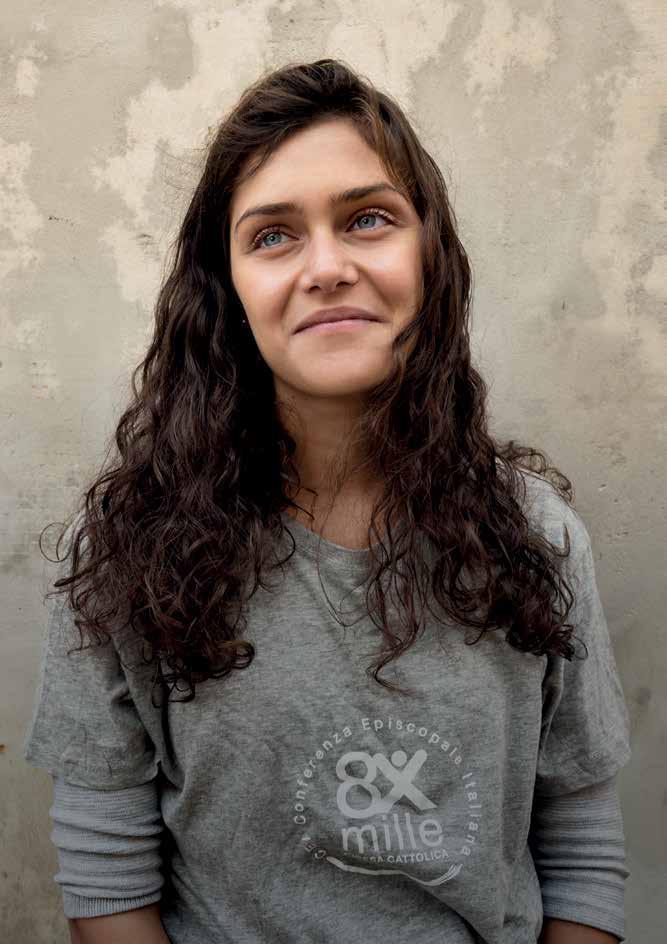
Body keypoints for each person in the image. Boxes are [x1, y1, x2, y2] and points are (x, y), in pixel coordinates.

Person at [23, 59, 631, 944]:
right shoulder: (128, 548)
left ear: (430, 256)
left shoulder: (539, 537)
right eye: (272, 236)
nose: (327, 267)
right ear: (225, 287)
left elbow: (579, 845)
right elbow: (105, 866)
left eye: (368, 219)